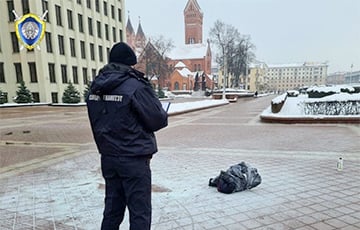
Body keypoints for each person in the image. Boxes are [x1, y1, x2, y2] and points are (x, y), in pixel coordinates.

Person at [86, 42, 168, 230]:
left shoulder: (96, 87)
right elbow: (157, 120)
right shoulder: (135, 86)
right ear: (130, 63)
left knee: (112, 210)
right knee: (140, 212)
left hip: (108, 158)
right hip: (134, 159)